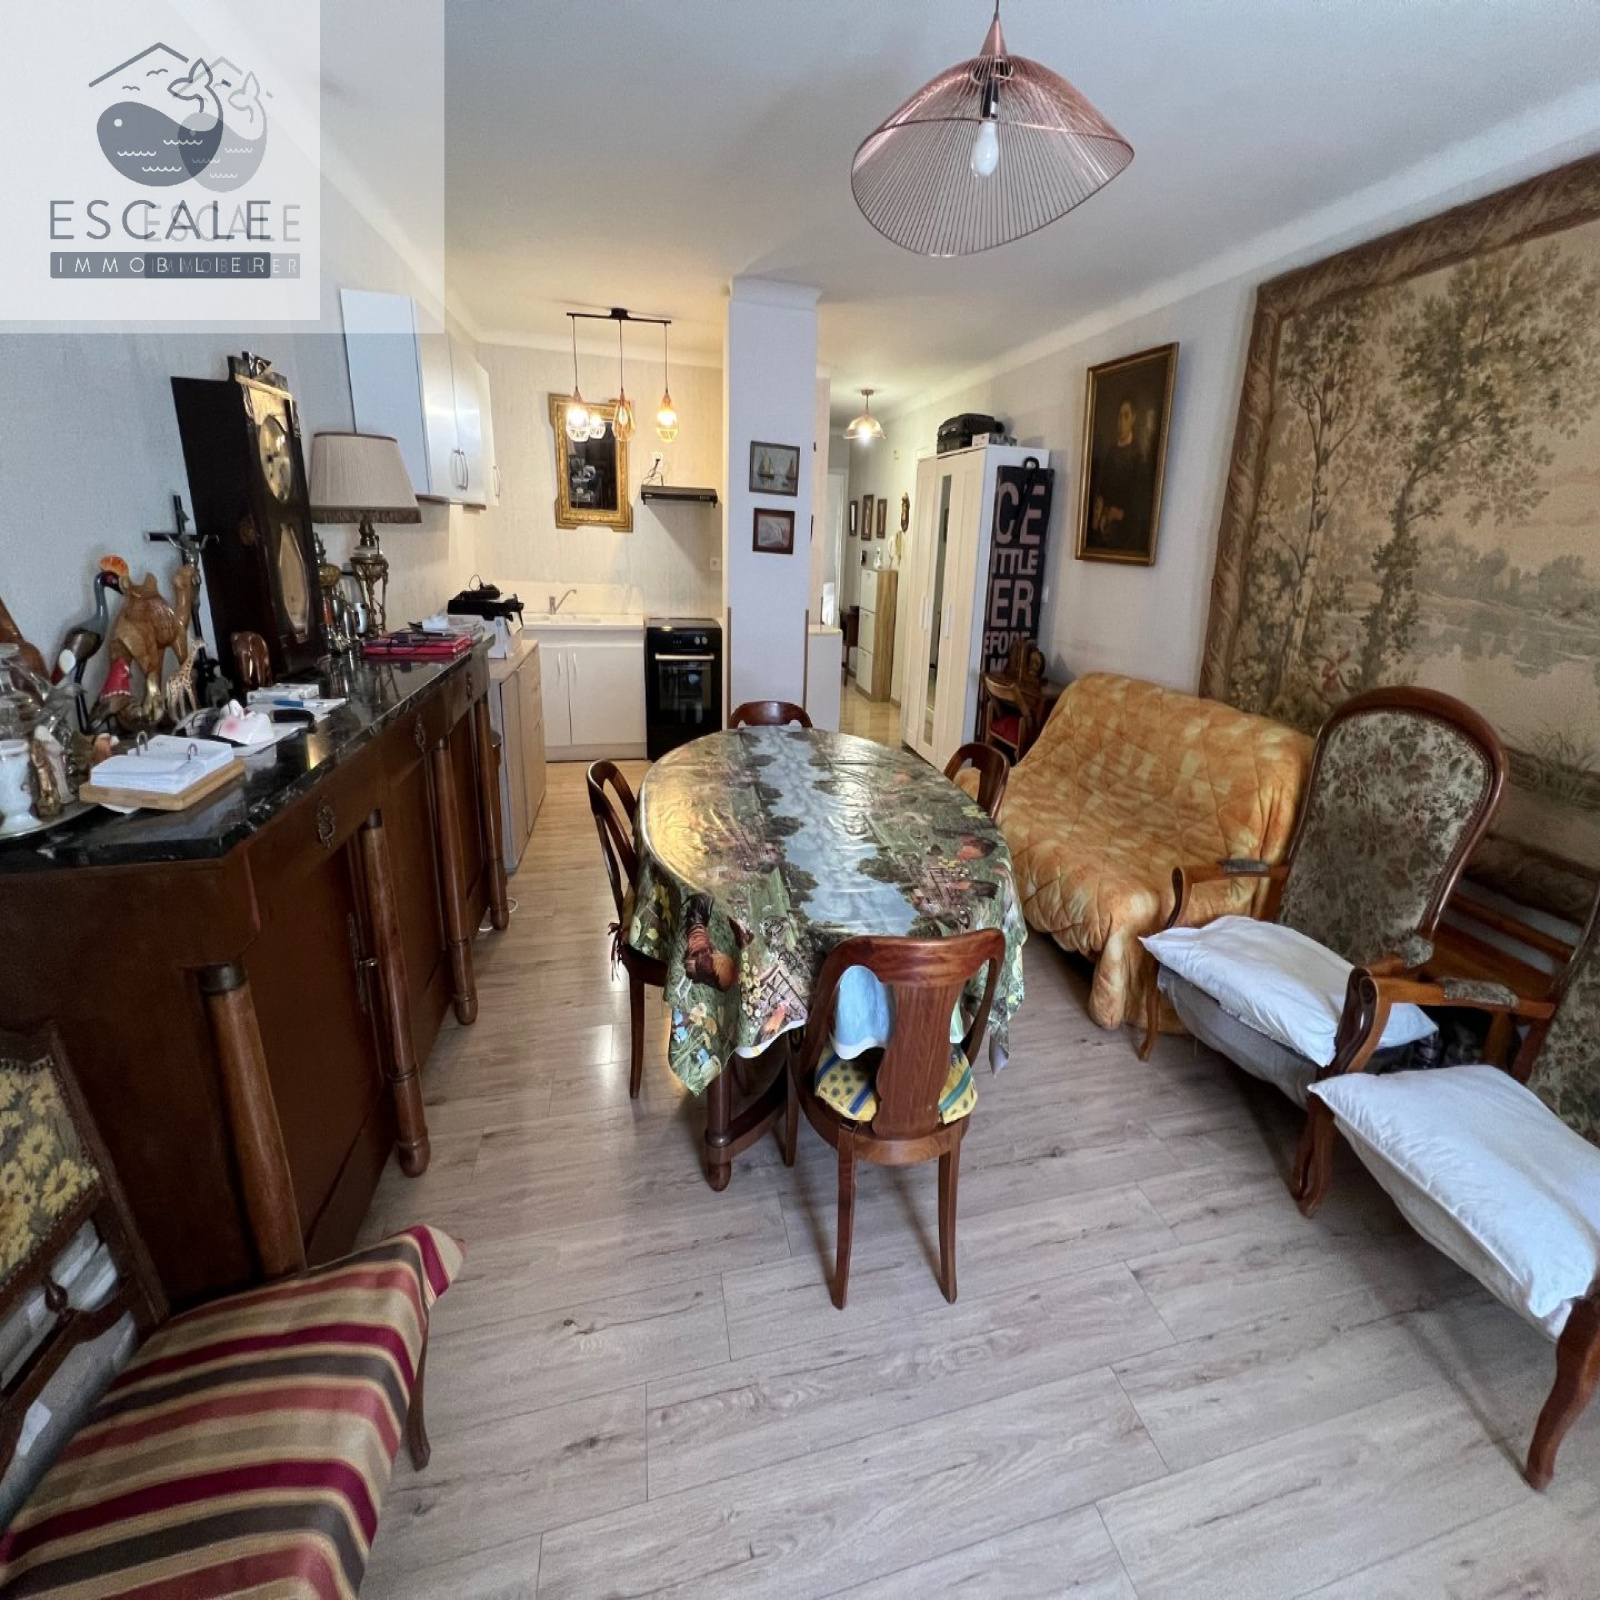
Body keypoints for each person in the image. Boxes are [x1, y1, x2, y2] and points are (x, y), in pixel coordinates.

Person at [1088, 396, 1154, 554]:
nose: (1121, 422)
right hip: (1104, 524)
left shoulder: (1138, 457)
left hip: (1124, 532)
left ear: (1133, 419)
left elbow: (1139, 504)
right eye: (1119, 416)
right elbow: (1102, 487)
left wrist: (1119, 514)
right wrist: (1099, 507)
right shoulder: (1111, 453)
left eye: (1126, 416)